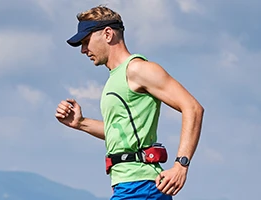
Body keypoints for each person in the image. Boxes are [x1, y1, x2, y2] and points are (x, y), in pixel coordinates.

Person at [54, 5, 205, 200]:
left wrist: (181, 165)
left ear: (108, 34)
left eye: (86, 41)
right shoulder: (114, 79)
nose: (83, 50)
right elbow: (121, 134)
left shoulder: (138, 70)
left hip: (142, 186)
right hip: (128, 186)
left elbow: (193, 108)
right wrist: (81, 123)